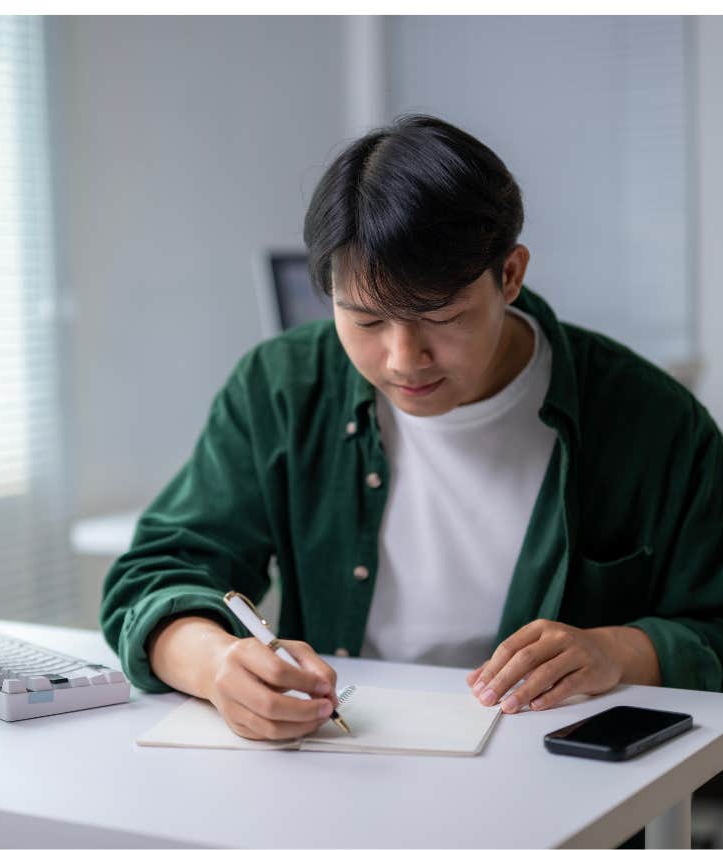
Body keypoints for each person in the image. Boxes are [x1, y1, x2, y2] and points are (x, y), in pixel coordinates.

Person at [100, 114, 723, 745]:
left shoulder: (649, 418)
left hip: (559, 787)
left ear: (510, 275)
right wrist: (214, 664)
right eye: (366, 322)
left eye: (441, 317)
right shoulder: (282, 388)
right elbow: (157, 573)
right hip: (335, 762)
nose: (403, 359)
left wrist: (617, 650)